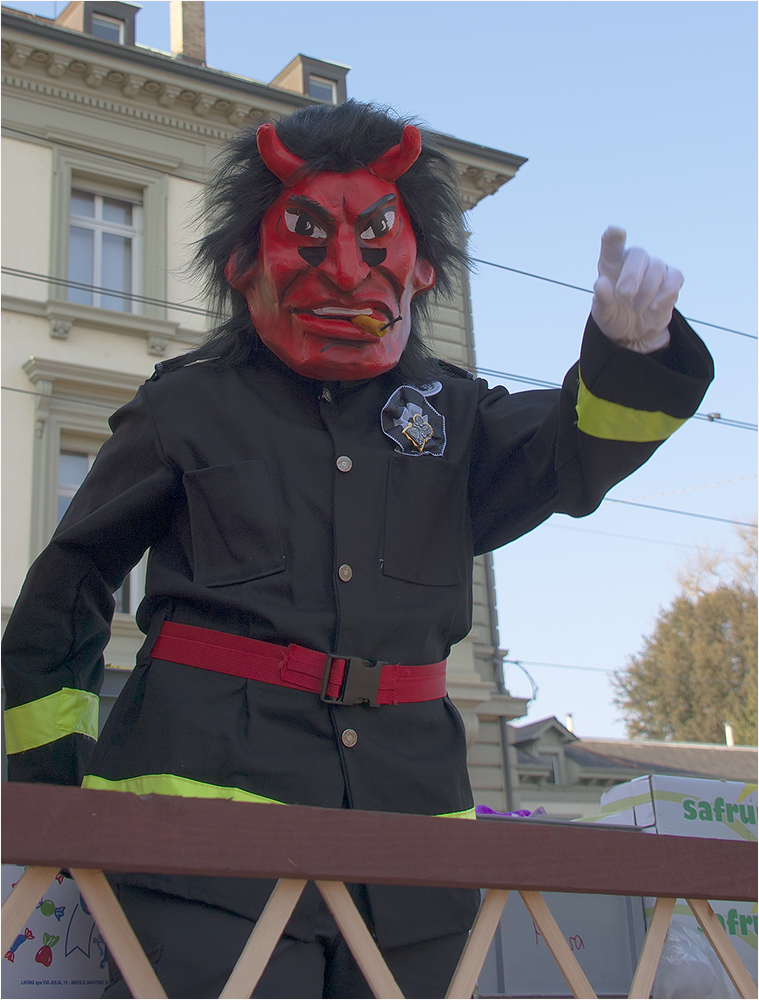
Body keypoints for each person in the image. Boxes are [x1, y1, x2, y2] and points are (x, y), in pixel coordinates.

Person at [2, 100, 714, 998]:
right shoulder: (186, 406)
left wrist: (628, 354)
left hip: (410, 859)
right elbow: (65, 592)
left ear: (420, 271)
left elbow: (570, 456)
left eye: (378, 237)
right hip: (202, 860)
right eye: (306, 235)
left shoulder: (454, 416)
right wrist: (55, 793)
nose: (345, 269)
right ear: (242, 263)